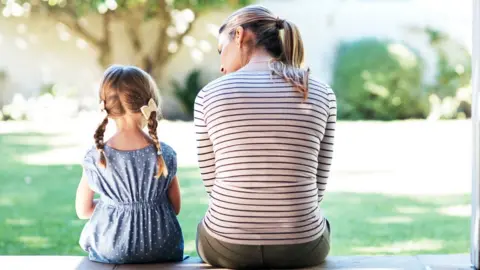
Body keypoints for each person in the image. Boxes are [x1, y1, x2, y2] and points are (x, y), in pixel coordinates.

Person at [194, 5, 336, 269]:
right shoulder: (320, 92)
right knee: (321, 223)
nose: (221, 66)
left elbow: (212, 184)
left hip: (226, 246)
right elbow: (318, 182)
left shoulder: (209, 95)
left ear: (239, 35)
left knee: (207, 227)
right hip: (302, 247)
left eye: (220, 50)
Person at [75, 65, 183, 264]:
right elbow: (175, 207)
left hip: (112, 248)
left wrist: (114, 204)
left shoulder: (96, 157)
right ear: (149, 103)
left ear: (106, 106)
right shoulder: (164, 153)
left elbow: (83, 211)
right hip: (163, 246)